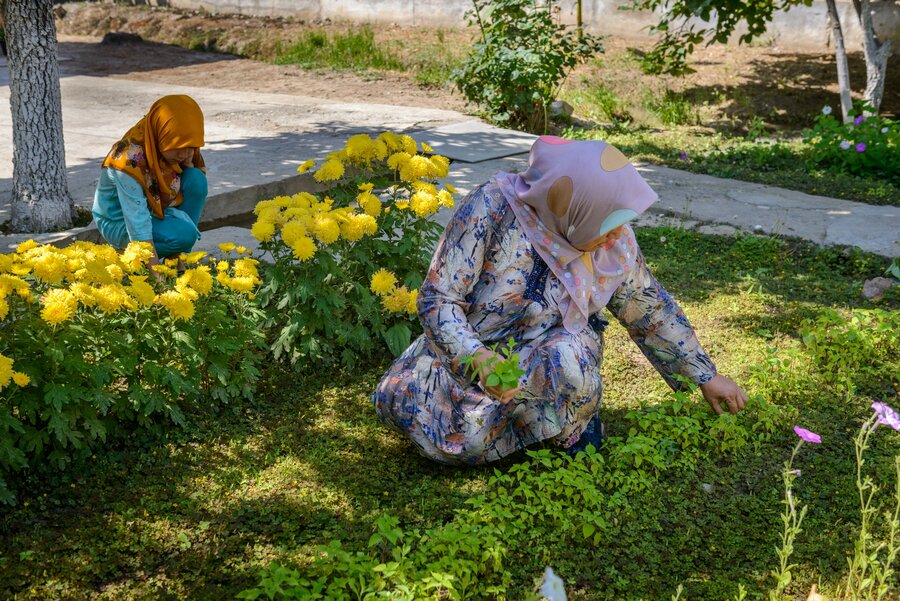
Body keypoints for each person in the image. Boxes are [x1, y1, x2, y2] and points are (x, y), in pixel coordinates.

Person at [372, 136, 748, 465]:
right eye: (608, 222)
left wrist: (705, 376)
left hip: (545, 357)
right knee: (450, 436)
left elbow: (646, 306)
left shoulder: (612, 242)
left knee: (571, 358)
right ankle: (517, 426)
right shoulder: (493, 207)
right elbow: (439, 299)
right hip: (469, 354)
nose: (616, 235)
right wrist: (477, 358)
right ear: (575, 206)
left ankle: (566, 429)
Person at [92, 95, 208, 266]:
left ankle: (176, 258)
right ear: (161, 135)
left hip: (158, 212)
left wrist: (188, 165)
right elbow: (137, 221)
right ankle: (128, 256)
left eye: (191, 147)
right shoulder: (127, 161)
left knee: (195, 179)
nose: (185, 154)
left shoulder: (176, 149)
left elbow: (192, 183)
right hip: (120, 221)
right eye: (178, 148)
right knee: (184, 236)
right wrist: (157, 275)